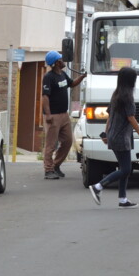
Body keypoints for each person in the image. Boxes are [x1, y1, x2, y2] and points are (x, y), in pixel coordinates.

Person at [88, 67, 139, 208]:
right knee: (126, 169)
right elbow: (131, 118)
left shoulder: (116, 95)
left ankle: (122, 199)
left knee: (124, 167)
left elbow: (110, 117)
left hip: (115, 135)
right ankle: (98, 187)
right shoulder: (127, 97)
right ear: (130, 80)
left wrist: (106, 133)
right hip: (121, 137)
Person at [42, 51, 85, 180]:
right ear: (56, 63)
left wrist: (83, 77)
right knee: (51, 144)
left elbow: (72, 84)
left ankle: (56, 165)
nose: (63, 60)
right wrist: (48, 115)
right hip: (53, 116)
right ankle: (48, 170)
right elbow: (45, 97)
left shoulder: (63, 74)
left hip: (64, 115)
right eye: (60, 59)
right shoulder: (49, 77)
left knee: (67, 141)